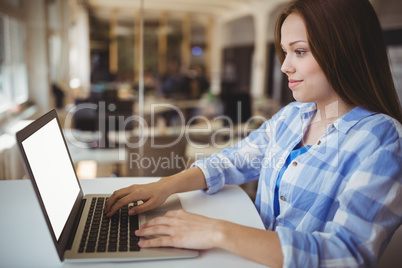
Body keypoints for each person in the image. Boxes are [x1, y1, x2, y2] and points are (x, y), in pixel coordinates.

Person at [104, 0, 402, 267]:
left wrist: (214, 231)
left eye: (299, 51)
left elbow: (346, 254)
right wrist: (165, 186)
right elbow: (233, 161)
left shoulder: (383, 141)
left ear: (345, 53)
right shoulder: (293, 117)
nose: (285, 66)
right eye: (285, 52)